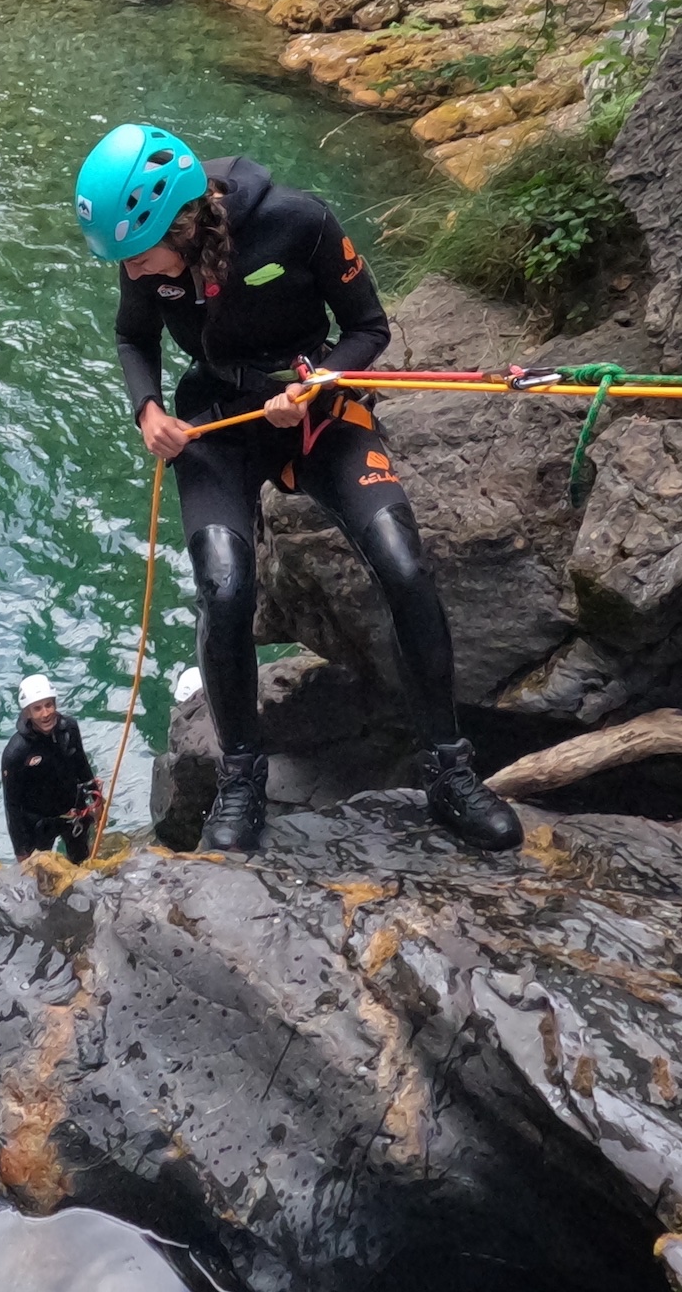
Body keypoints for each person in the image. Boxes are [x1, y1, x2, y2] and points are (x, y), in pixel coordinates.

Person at [73, 122, 522, 855]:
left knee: (404, 566)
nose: (129, 270)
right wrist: (148, 408)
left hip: (318, 408)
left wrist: (316, 383)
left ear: (184, 221)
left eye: (137, 252)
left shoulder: (298, 221)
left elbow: (369, 328)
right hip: (219, 415)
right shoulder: (143, 262)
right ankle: (241, 776)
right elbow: (134, 338)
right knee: (224, 588)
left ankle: (449, 771)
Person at [1, 673, 102, 862]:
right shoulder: (16, 752)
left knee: (81, 860)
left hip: (73, 813)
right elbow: (12, 805)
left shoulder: (68, 729)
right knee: (42, 877)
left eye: (49, 705)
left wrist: (95, 797)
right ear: (27, 713)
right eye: (37, 708)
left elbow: (81, 765)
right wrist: (21, 850)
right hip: (39, 823)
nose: (46, 713)